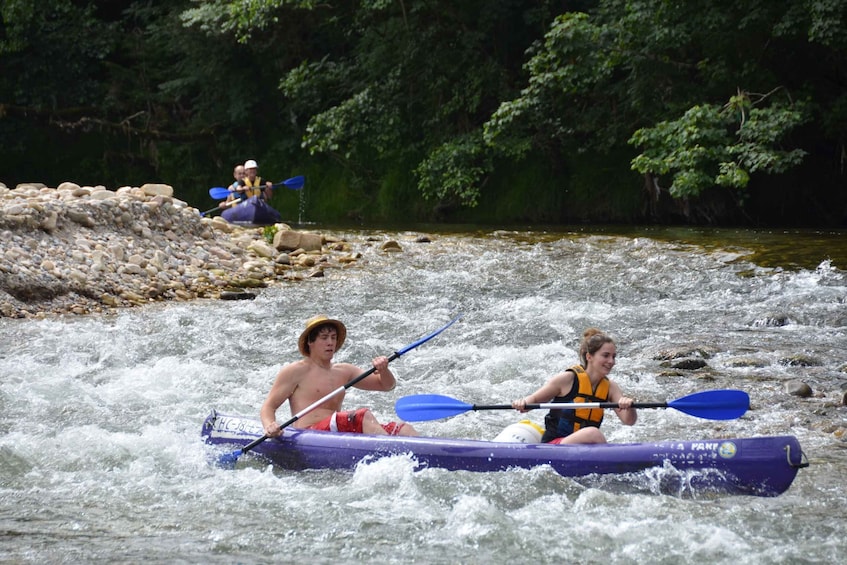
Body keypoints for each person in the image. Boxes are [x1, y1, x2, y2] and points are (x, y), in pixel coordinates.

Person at [261, 315, 418, 438]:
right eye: (324, 338)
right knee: (361, 416)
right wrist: (270, 425)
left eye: (333, 337)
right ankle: (392, 454)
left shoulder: (344, 371)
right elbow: (268, 407)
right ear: (310, 342)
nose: (330, 343)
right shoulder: (295, 371)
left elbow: (386, 386)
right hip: (310, 433)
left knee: (404, 429)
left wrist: (384, 370)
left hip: (336, 431)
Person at [512, 328, 636, 444]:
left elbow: (629, 421)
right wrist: (523, 403)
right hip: (555, 445)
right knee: (593, 433)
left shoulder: (610, 387)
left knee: (592, 434)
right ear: (589, 357)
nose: (611, 361)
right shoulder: (567, 379)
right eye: (606, 355)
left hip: (583, 446)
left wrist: (629, 407)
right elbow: (533, 400)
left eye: (613, 356)